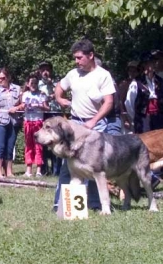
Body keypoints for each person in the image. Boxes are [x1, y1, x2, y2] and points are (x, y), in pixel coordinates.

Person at [53, 39, 115, 212]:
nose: (77, 61)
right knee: (69, 166)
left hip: (96, 127)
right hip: (74, 126)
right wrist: (59, 98)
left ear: (91, 55)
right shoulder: (73, 74)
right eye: (75, 58)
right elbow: (59, 87)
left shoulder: (103, 75)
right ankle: (61, 204)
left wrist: (94, 121)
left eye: (80, 58)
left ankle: (95, 204)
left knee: (96, 167)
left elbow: (109, 102)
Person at [20, 74, 49, 177]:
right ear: (28, 84)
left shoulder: (42, 94)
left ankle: (39, 170)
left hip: (38, 121)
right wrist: (24, 106)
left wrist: (40, 106)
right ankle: (28, 170)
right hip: (28, 121)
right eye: (31, 83)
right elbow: (22, 106)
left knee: (38, 145)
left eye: (35, 83)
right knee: (29, 145)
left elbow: (47, 108)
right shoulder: (25, 94)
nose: (33, 85)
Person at [138, 56, 163, 131]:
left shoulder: (159, 80)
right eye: (149, 63)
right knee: (147, 136)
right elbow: (130, 102)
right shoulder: (139, 81)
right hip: (145, 113)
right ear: (144, 65)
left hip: (158, 112)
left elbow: (162, 96)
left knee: (159, 135)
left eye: (153, 63)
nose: (151, 65)